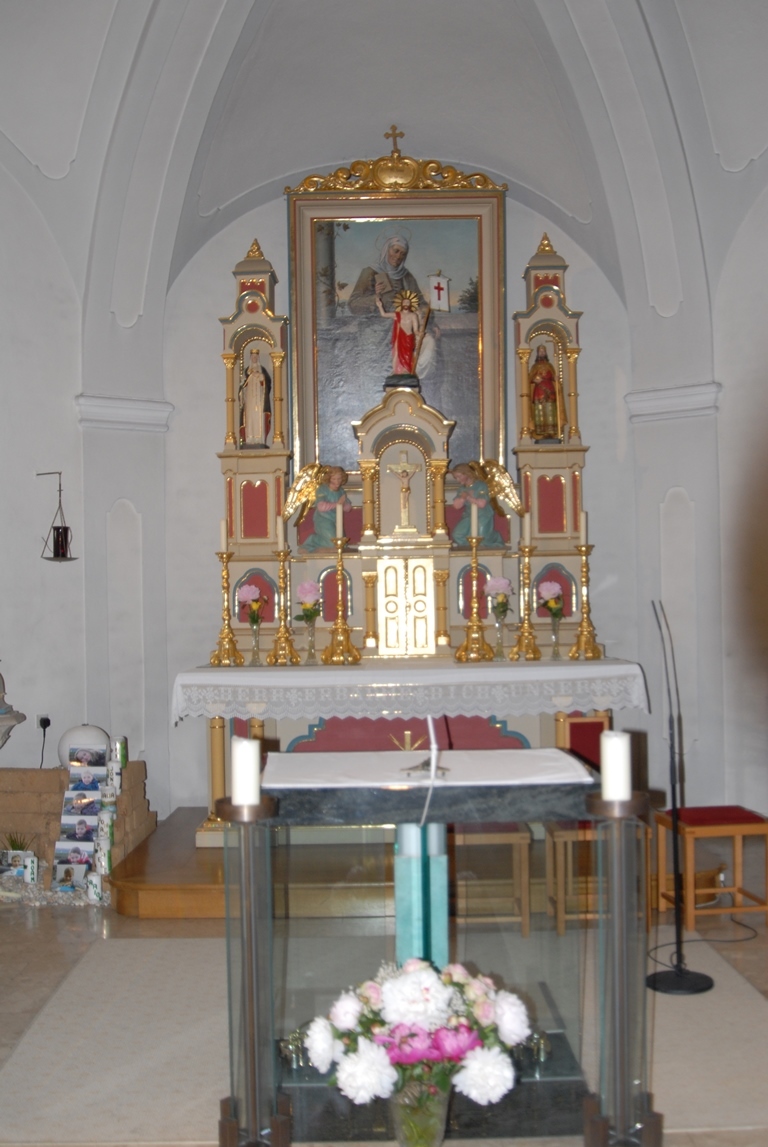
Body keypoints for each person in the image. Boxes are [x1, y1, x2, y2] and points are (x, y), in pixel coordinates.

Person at [348, 235, 424, 315]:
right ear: (387, 250)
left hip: (402, 320)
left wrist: (423, 311)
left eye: (403, 254)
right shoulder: (370, 272)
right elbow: (353, 304)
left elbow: (420, 302)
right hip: (375, 320)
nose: (398, 256)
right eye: (396, 251)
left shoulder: (407, 276)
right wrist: (376, 298)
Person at [450, 464, 504, 548]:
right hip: (469, 515)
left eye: (459, 476)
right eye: (455, 477)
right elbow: (456, 506)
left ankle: (495, 537)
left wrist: (468, 497)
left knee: (482, 538)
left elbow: (482, 504)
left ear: (467, 473)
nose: (458, 480)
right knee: (457, 535)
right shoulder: (462, 489)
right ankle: (471, 549)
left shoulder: (481, 485)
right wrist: (462, 498)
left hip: (483, 515)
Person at [301, 467, 351, 551]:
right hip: (323, 520)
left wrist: (343, 505)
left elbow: (348, 508)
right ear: (329, 478)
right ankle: (312, 540)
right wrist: (337, 504)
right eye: (334, 479)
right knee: (332, 543)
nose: (337, 481)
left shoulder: (341, 491)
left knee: (342, 544)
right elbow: (321, 507)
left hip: (336, 520)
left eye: (339, 479)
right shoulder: (322, 489)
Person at [376, 291, 422, 376]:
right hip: (399, 338)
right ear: (401, 304)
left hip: (408, 338)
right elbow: (384, 314)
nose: (406, 304)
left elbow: (415, 330)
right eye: (404, 302)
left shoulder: (413, 315)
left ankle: (406, 369)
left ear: (410, 304)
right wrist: (380, 306)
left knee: (408, 354)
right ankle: (396, 370)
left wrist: (419, 334)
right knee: (396, 353)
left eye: (408, 302)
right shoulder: (397, 314)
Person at [239, 346, 272, 446]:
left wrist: (261, 378)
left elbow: (267, 384)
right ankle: (249, 439)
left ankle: (259, 439)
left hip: (259, 399)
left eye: (256, 357)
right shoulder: (246, 371)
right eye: (253, 357)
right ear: (250, 358)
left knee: (258, 417)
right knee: (249, 417)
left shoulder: (262, 370)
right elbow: (242, 386)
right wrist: (249, 377)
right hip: (250, 399)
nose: (254, 359)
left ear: (258, 358)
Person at [528, 344, 560, 439]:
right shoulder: (535, 366)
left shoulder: (550, 366)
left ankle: (551, 431)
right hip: (539, 390)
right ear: (537, 353)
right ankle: (540, 431)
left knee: (550, 408)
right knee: (540, 408)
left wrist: (555, 378)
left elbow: (553, 377)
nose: (542, 353)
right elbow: (529, 378)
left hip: (549, 389)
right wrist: (534, 379)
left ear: (545, 353)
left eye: (543, 351)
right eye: (540, 351)